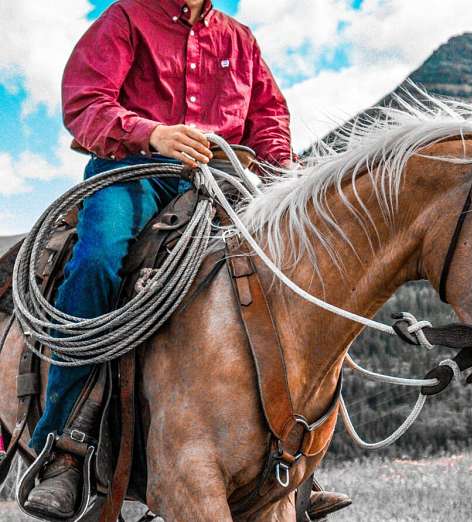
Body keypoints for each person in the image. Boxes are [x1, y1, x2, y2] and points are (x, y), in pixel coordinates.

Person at [24, 1, 351, 519]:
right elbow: (86, 103)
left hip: (226, 180)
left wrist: (282, 165)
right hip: (133, 170)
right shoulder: (126, 19)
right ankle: (63, 446)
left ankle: (298, 467)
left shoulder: (239, 39)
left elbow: (267, 117)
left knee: (294, 269)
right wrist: (151, 133)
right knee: (98, 262)